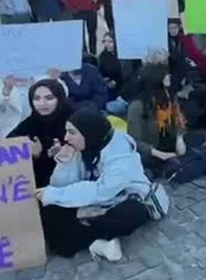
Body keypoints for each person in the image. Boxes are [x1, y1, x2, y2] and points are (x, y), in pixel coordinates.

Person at [35, 108, 163, 261]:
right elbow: (60, 185)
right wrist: (65, 163)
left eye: (72, 132)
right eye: (67, 131)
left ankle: (82, 237)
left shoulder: (120, 155)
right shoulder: (85, 146)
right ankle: (99, 243)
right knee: (49, 211)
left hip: (123, 199)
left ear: (89, 132)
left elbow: (102, 191)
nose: (66, 137)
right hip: (94, 203)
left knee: (132, 213)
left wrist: (55, 195)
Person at [8, 79, 72, 188]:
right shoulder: (32, 121)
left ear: (60, 98)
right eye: (37, 99)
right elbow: (8, 143)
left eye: (49, 98)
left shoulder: (74, 120)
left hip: (68, 186)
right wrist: (28, 152)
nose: (42, 103)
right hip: (37, 187)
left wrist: (64, 154)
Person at [126, 63, 187, 174]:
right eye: (165, 74)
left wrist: (179, 137)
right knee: (147, 159)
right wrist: (161, 154)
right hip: (151, 149)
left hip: (167, 139)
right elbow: (134, 140)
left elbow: (178, 120)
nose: (169, 76)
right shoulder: (137, 106)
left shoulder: (168, 96)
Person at [0, 71, 67, 139]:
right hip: (7, 135)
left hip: (40, 134)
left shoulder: (43, 76)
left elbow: (63, 97)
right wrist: (6, 91)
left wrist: (54, 81)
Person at [98, 32, 123, 101]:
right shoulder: (103, 56)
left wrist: (116, 81)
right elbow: (100, 73)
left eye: (110, 42)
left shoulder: (123, 57)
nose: (107, 44)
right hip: (109, 87)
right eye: (105, 41)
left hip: (122, 86)